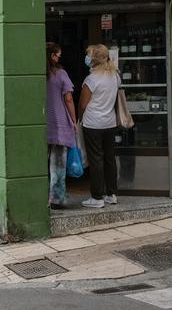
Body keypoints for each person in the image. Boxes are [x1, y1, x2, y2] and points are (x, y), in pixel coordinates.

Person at [78, 44, 121, 209]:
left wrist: (79, 119)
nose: (87, 58)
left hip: (93, 123)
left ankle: (97, 197)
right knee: (109, 158)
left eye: (88, 55)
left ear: (93, 60)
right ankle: (111, 194)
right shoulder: (114, 76)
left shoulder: (91, 79)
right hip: (109, 123)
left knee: (96, 160)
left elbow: (82, 104)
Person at [46, 42, 78, 210]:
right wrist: (74, 120)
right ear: (52, 56)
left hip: (41, 126)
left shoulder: (36, 74)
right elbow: (68, 99)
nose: (59, 58)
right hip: (59, 125)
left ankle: (40, 197)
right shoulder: (60, 74)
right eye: (58, 55)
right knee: (58, 165)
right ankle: (56, 199)